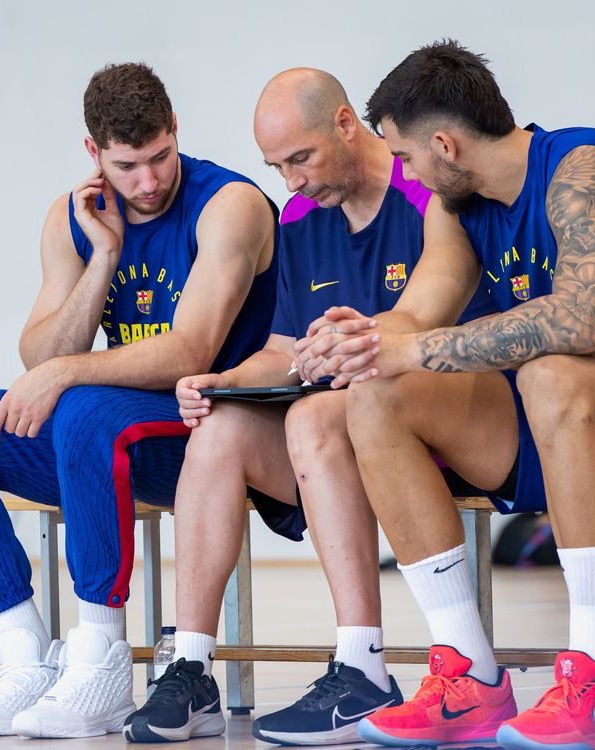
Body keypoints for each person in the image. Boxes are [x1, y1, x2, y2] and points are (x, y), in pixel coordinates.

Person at [297, 40, 595, 750]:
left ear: (445, 144)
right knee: (376, 397)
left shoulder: (584, 168)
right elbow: (414, 322)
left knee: (551, 369)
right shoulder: (455, 209)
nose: (405, 173)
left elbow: (582, 320)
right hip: (562, 425)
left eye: (407, 157)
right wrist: (356, 340)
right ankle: (468, 680)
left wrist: (413, 346)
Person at [0, 62, 278, 739]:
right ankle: (25, 658)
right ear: (93, 154)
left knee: (81, 405)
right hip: (98, 439)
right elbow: (40, 357)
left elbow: (190, 349)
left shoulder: (230, 205)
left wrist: (68, 373)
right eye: (128, 165)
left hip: (206, 430)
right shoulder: (74, 217)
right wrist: (103, 257)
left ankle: (100, 656)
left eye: (160, 157)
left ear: (176, 132)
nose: (149, 181)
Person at [123, 68, 491, 745]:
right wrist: (221, 380)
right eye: (277, 166)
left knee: (316, 415)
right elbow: (285, 347)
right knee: (219, 429)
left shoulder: (427, 192)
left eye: (301, 159)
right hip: (345, 437)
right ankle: (191, 668)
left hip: (444, 421)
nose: (289, 182)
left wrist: (361, 348)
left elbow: (457, 334)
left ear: (346, 125)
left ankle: (362, 666)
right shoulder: (298, 217)